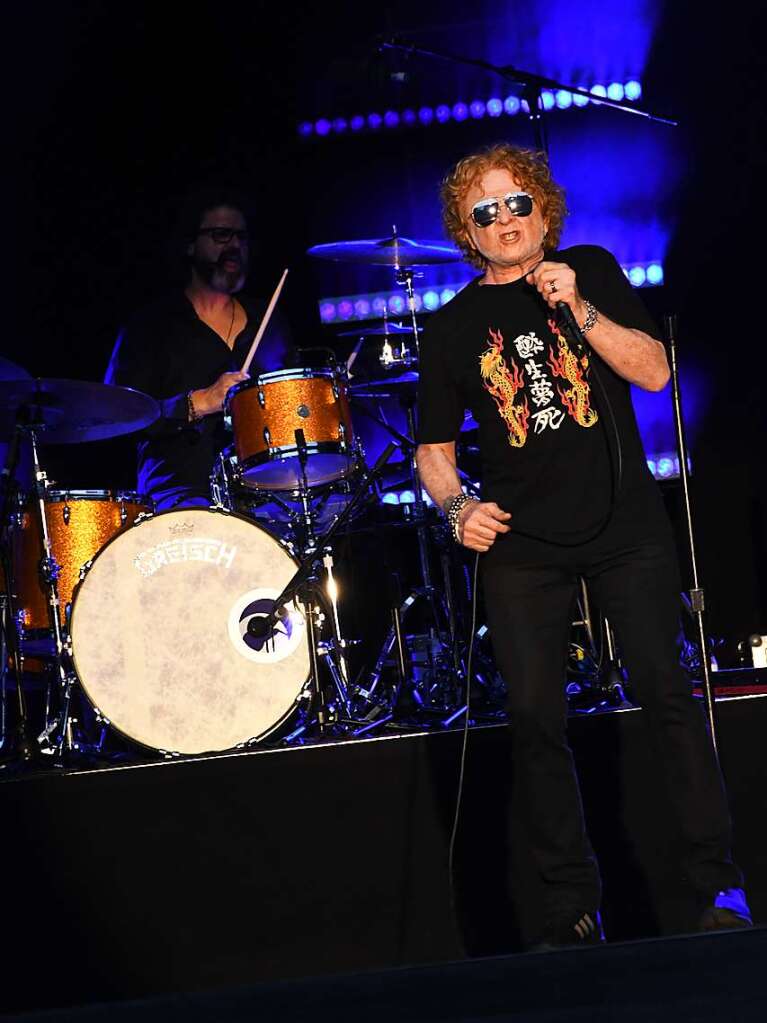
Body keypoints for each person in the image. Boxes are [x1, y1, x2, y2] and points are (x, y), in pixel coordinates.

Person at [415, 142, 751, 950]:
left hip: (624, 526)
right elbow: (431, 451)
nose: (503, 220)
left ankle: (716, 887)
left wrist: (580, 309)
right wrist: (458, 506)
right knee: (534, 717)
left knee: (666, 692)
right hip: (524, 547)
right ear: (466, 230)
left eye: (515, 203)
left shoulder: (589, 270)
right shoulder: (453, 326)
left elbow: (654, 372)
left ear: (542, 207)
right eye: (483, 211)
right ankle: (570, 906)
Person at [105, 188, 292, 509]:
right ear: (190, 244)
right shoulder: (149, 327)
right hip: (179, 495)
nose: (234, 246)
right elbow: (116, 417)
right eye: (221, 235)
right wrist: (200, 402)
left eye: (241, 238)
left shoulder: (269, 319)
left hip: (267, 489)